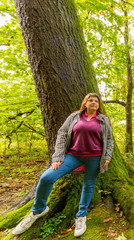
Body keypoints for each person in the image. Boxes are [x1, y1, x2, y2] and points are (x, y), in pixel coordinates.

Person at [12, 93, 114, 237]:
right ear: (85, 103)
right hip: (73, 156)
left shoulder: (103, 120)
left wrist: (107, 156)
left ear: (98, 104)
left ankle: (81, 216)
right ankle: (38, 209)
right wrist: (58, 156)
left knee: (88, 185)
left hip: (95, 158)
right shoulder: (74, 117)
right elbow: (62, 134)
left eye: (96, 101)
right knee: (46, 178)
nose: (93, 102)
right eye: (90, 100)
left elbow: (109, 139)